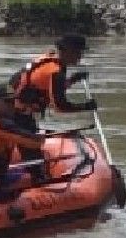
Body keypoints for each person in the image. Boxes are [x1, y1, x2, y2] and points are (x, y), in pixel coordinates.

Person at [7, 34, 98, 166]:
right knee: (34, 160)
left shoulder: (50, 60)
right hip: (19, 116)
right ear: (67, 51)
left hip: (15, 110)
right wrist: (86, 106)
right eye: (78, 52)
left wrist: (72, 80)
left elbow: (48, 89)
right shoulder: (56, 71)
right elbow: (60, 106)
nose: (80, 56)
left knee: (31, 150)